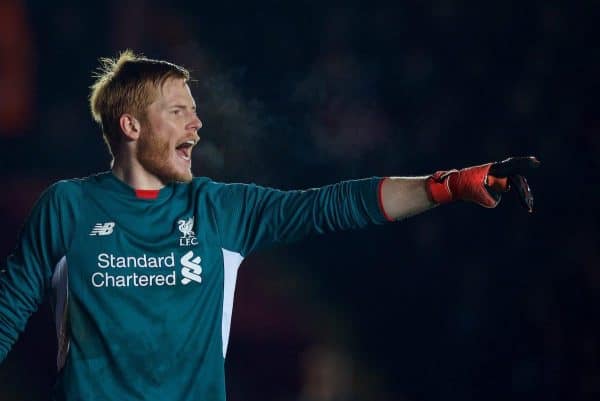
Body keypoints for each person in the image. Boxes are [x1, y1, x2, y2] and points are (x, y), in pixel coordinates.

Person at [0, 50, 539, 401]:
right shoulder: (67, 207)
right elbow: (8, 310)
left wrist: (445, 185)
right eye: (179, 111)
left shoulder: (220, 210)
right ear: (132, 124)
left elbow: (334, 204)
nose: (198, 122)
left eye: (196, 110)